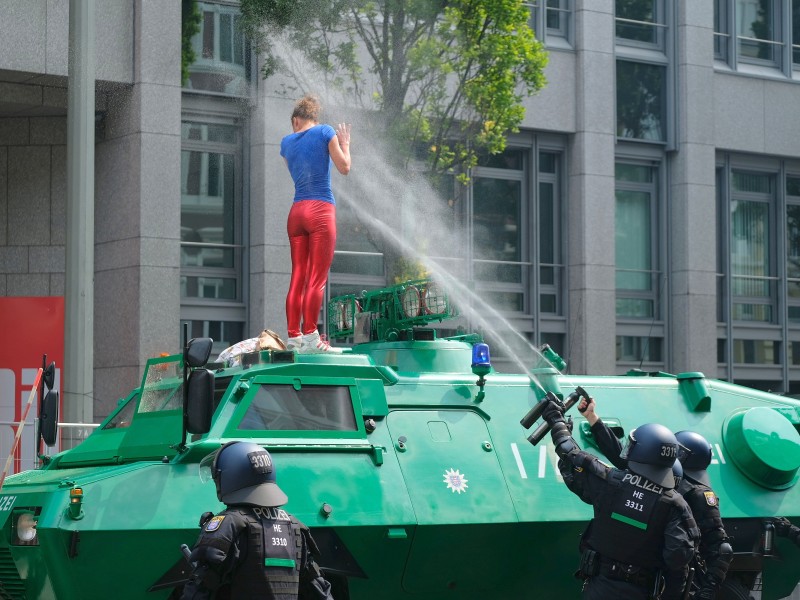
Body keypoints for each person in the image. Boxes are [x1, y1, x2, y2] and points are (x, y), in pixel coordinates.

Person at [540, 398, 698, 600]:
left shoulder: (610, 481)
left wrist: (558, 423)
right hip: (643, 592)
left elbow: (571, 456)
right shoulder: (676, 504)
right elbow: (678, 557)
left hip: (599, 589)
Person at [578, 397, 733, 600]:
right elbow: (622, 457)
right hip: (652, 567)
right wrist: (594, 420)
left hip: (682, 573)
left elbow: (721, 548)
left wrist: (707, 591)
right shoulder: (656, 476)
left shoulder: (698, 494)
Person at [180, 441, 333, 600]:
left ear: (231, 477)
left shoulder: (229, 524)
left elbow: (199, 589)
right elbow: (319, 589)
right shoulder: (295, 527)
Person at [280, 94, 352, 354]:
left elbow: (296, 169)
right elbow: (344, 167)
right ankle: (312, 338)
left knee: (298, 275)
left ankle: (294, 337)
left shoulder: (286, 143)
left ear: (296, 120)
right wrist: (345, 145)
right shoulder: (325, 131)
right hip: (320, 209)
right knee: (316, 278)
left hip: (296, 212)